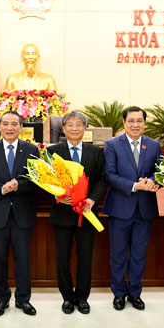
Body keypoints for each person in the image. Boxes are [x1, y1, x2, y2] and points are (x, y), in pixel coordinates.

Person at [0, 111, 40, 316]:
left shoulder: (32, 150)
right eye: (5, 123)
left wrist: (18, 186)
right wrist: (1, 189)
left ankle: (23, 300)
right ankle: (1, 299)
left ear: (21, 127)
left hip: (23, 213)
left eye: (14, 124)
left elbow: (36, 180)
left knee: (23, 259)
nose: (9, 128)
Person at [46, 111, 105, 314]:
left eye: (78, 125)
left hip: (87, 213)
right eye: (70, 125)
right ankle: (67, 298)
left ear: (84, 128)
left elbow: (100, 180)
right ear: (63, 129)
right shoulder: (52, 151)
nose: (74, 128)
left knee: (85, 257)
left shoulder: (95, 152)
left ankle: (82, 297)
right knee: (63, 258)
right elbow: (46, 181)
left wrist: (92, 198)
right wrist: (58, 196)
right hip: (62, 213)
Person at [103, 106, 161, 311]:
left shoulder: (154, 145)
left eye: (139, 121)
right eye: (131, 121)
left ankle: (135, 293)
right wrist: (135, 186)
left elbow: (161, 172)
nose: (135, 125)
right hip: (120, 208)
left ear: (145, 123)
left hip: (145, 209)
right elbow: (109, 174)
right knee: (118, 254)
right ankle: (118, 293)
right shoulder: (112, 144)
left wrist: (153, 181)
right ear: (124, 123)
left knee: (138, 254)